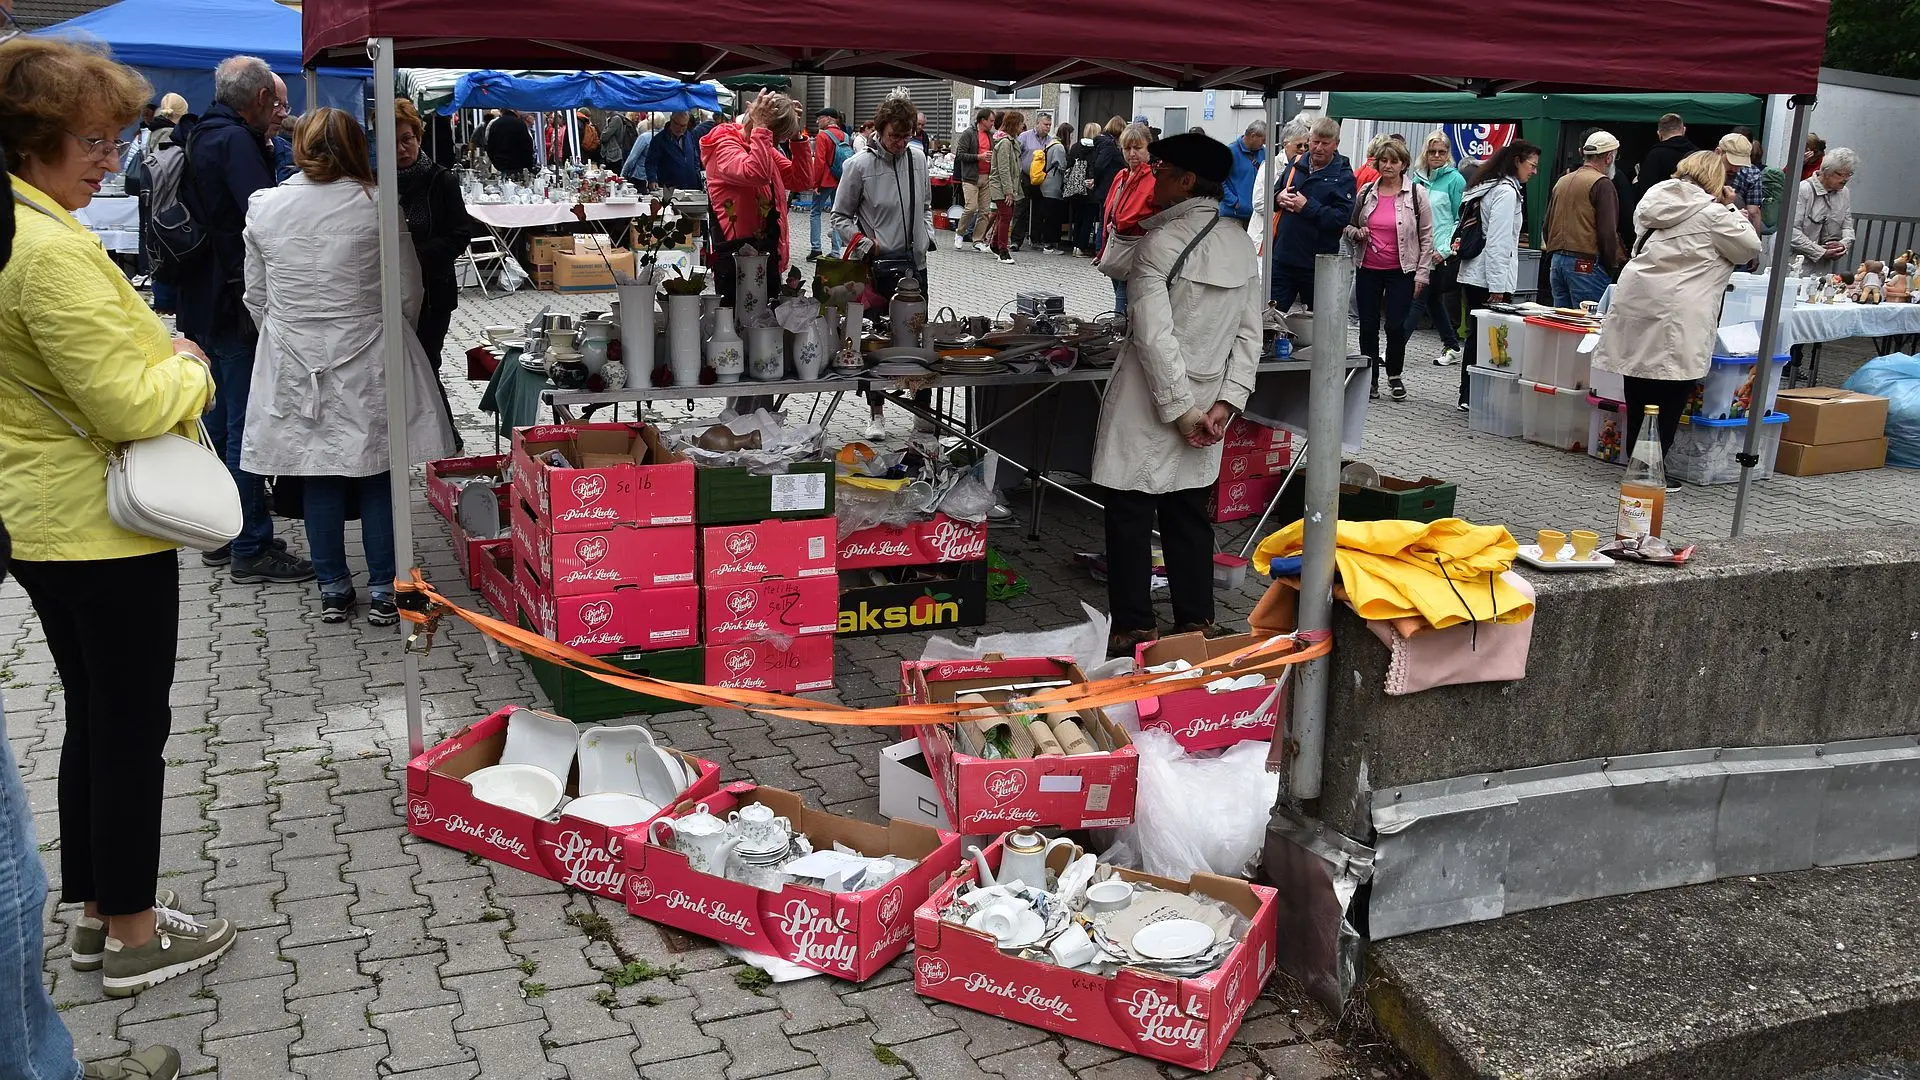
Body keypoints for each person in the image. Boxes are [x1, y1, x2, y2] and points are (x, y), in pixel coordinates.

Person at [0, 33, 241, 1014]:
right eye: (93, 142)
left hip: (48, 519)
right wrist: (189, 368)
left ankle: (100, 908)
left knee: (95, 718)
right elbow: (125, 403)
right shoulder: (48, 250)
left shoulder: (25, 227)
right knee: (130, 726)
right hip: (101, 527)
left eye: (113, 141)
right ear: (32, 140)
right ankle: (136, 935)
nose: (111, 162)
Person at [240, 108, 457, 624]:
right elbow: (406, 288)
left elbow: (255, 294)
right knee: (377, 470)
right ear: (358, 148)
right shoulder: (376, 204)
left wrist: (288, 333)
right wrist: (393, 332)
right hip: (366, 349)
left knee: (318, 473)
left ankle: (334, 588)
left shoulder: (266, 207)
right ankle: (383, 587)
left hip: (296, 353)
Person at [1090, 131, 1260, 658]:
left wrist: (1182, 411)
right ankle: (1196, 624)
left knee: (1130, 513)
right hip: (1206, 402)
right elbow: (1249, 337)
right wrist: (1225, 404)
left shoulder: (1161, 244)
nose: (1153, 177)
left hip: (1152, 402)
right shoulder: (1239, 243)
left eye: (1161, 170)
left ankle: (1135, 631)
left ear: (1186, 181)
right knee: (1188, 514)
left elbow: (1153, 337)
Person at [172, 55, 313, 584]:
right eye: (276, 102)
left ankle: (224, 533)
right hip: (231, 300)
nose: (279, 112)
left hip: (202, 297)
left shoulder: (201, 132)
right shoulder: (233, 141)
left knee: (219, 418)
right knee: (244, 427)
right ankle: (249, 544)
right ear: (259, 99)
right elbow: (264, 220)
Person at [1592, 150, 1759, 476]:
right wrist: (1729, 205)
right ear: (1716, 179)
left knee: (1637, 390)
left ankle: (1636, 463)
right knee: (1670, 396)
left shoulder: (1655, 198)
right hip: (1679, 313)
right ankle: (1651, 471)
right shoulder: (1714, 214)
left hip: (1638, 302)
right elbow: (1749, 247)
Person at [834, 93, 932, 441]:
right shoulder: (858, 165)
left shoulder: (918, 159)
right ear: (880, 130)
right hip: (877, 267)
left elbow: (926, 206)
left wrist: (926, 237)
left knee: (919, 337)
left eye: (907, 136)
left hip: (914, 265)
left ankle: (923, 412)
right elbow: (840, 216)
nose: (901, 143)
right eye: (894, 136)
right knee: (877, 341)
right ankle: (876, 413)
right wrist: (865, 243)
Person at [1344, 138, 1433, 402]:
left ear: (1404, 164)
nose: (1388, 165)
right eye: (1383, 160)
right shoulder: (1366, 192)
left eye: (1394, 161)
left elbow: (1427, 236)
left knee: (1395, 325)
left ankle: (1394, 374)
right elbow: (1348, 226)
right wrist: (1357, 233)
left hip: (1402, 270)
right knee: (1367, 326)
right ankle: (1369, 379)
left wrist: (1422, 273)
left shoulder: (1416, 194)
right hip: (1368, 267)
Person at [393, 98, 476, 379]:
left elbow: (461, 234)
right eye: (393, 142)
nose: (401, 149)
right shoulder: (377, 182)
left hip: (433, 294)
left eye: (407, 139)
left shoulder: (442, 180)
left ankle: (436, 410)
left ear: (418, 137)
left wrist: (416, 254)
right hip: (391, 294)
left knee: (426, 368)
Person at [701, 90, 808, 304]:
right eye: (776, 136)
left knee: (767, 319)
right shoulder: (725, 145)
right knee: (739, 319)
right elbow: (756, 174)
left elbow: (801, 181)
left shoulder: (760, 145)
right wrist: (761, 129)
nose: (775, 143)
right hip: (737, 260)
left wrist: (797, 137)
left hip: (765, 253)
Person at [1455, 140, 1540, 409]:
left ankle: (1470, 395)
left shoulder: (1485, 186)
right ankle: (1477, 396)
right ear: (1516, 161)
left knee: (1478, 336)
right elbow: (1499, 242)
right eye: (1531, 165)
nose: (1534, 171)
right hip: (1488, 277)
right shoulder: (1505, 191)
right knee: (1490, 338)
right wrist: (1497, 287)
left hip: (1474, 273)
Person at [1269, 117, 1354, 310]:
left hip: (1317, 263)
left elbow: (1341, 218)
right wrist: (1278, 197)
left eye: (1325, 143)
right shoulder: (1296, 162)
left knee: (1318, 320)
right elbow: (1274, 193)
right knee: (1272, 317)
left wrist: (1307, 207)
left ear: (1336, 144)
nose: (1318, 148)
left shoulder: (1343, 175)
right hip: (1283, 257)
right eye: (1315, 142)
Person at [1543, 129, 1623, 308]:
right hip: (1586, 263)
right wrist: (1610, 265)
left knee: (1562, 322)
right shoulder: (1602, 184)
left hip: (1557, 261)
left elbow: (1546, 226)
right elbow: (1607, 232)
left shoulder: (1562, 181)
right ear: (1609, 157)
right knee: (1589, 322)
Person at [1408, 130, 1466, 365]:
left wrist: (1443, 249)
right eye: (1432, 151)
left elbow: (1459, 219)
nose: (1437, 156)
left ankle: (1394, 348)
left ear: (1448, 153)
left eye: (1442, 152)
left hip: (1437, 253)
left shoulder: (1455, 180)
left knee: (1417, 300)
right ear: (1425, 152)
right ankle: (1452, 345)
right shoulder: (1417, 179)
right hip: (1417, 249)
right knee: (1431, 301)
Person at [1096, 122, 1155, 314]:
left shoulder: (1153, 179)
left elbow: (1127, 217)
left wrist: (1115, 224)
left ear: (1148, 148)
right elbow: (1109, 211)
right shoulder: (1121, 175)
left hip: (1138, 251)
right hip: (1118, 249)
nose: (1132, 154)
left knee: (1122, 308)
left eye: (1137, 148)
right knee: (1122, 302)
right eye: (1127, 148)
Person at [1247, 116, 1310, 257]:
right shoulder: (1270, 167)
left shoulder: (1306, 169)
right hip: (1264, 237)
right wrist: (1280, 202)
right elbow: (1258, 203)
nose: (1302, 149)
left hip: (1290, 240)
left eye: (1306, 146)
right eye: (1298, 145)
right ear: (1286, 144)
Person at [1790, 147, 1857, 275]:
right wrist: (1820, 252)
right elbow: (1791, 231)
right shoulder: (1803, 189)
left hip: (1823, 265)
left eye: (1849, 174)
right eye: (1840, 174)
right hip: (1795, 261)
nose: (1845, 179)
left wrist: (1843, 245)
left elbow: (1847, 227)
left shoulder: (1844, 192)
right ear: (1826, 171)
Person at [951, 107, 994, 251]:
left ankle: (978, 240)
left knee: (984, 211)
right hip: (970, 177)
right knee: (971, 208)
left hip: (986, 176)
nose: (992, 124)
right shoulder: (968, 134)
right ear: (982, 120)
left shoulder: (991, 136)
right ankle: (960, 233)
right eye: (991, 121)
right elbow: (960, 155)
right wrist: (979, 157)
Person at [986, 110, 1025, 264]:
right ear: (1014, 124)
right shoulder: (1005, 143)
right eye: (1020, 124)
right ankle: (1003, 250)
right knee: (1006, 216)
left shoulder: (1010, 141)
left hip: (1006, 186)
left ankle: (995, 244)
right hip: (1001, 187)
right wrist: (1008, 192)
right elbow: (1003, 169)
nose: (1022, 127)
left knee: (1004, 216)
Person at [808, 108, 848, 259]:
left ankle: (816, 248)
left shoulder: (823, 135)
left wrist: (816, 183)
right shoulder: (845, 136)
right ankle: (836, 251)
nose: (817, 121)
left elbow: (819, 162)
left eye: (820, 118)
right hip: (841, 179)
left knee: (815, 212)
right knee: (837, 214)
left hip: (825, 181)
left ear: (830, 119)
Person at [1010, 110, 1051, 251]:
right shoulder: (1025, 137)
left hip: (1040, 178)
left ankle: (1035, 239)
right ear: (1038, 123)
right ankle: (1016, 241)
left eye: (1049, 125)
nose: (1048, 127)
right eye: (1045, 124)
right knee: (1021, 208)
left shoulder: (1050, 141)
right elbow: (1015, 154)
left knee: (1039, 210)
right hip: (1025, 176)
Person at [1066, 122, 1104, 255]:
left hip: (1077, 187)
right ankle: (1081, 247)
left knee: (1078, 217)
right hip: (1091, 187)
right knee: (1088, 218)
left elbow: (1069, 164)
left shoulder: (1076, 146)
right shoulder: (1097, 148)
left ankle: (1075, 245)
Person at [1219, 119, 1266, 225]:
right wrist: (1234, 202)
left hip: (1256, 215)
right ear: (1253, 136)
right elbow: (1219, 181)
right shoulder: (1230, 152)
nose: (1264, 144)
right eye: (1263, 140)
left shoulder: (1263, 152)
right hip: (1232, 215)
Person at [647, 110, 703, 191]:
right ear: (671, 120)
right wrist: (652, 179)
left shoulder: (689, 136)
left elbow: (695, 159)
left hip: (691, 188)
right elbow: (651, 163)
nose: (680, 129)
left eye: (684, 126)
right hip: (669, 189)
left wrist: (698, 178)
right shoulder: (659, 140)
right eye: (677, 124)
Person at [1034, 125, 1068, 254]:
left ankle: (1045, 242)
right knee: (1052, 216)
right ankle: (1049, 245)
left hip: (1046, 183)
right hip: (1053, 184)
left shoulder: (1050, 144)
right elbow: (1062, 166)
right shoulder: (1059, 147)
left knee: (1047, 215)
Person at [485, 107, 536, 174]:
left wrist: (496, 163)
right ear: (515, 111)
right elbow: (527, 146)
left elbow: (490, 147)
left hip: (500, 165)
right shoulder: (520, 124)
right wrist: (529, 166)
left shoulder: (495, 124)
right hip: (518, 165)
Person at [621, 113, 657, 186]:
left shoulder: (644, 137)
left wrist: (623, 174)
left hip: (640, 176)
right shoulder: (665, 138)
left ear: (650, 123)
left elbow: (633, 157)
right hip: (657, 176)